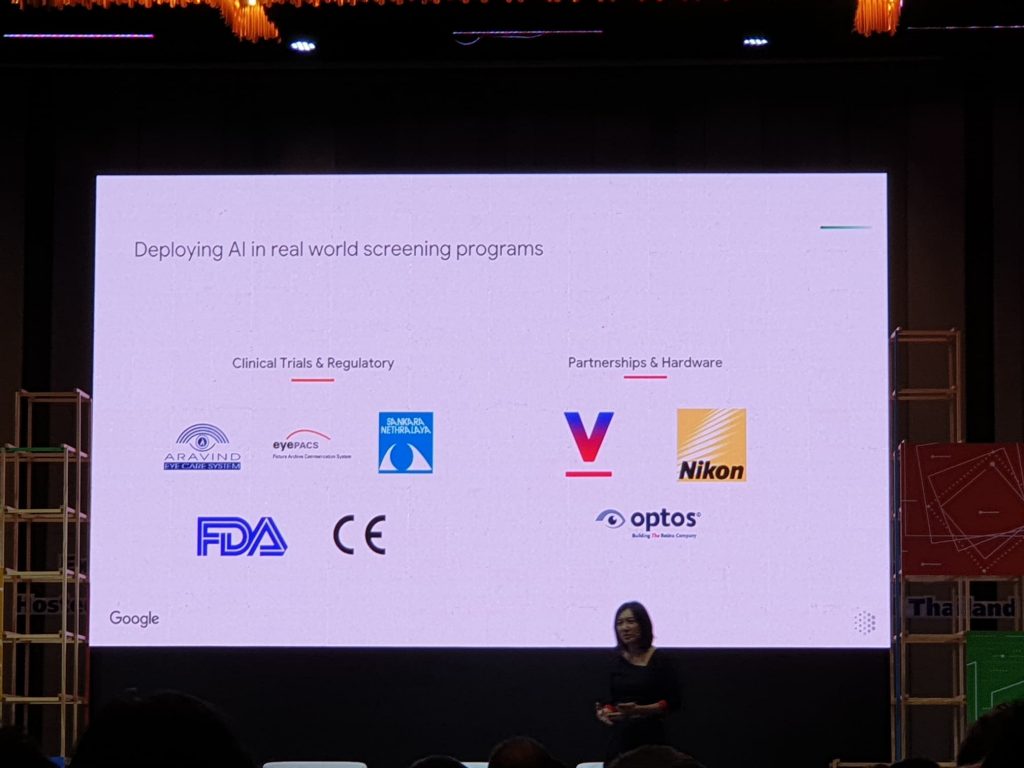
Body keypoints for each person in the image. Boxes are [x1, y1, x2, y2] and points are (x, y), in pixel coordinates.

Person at [595, 601, 681, 763]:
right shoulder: (613, 660)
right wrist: (606, 712)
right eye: (620, 623)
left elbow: (673, 701)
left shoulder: (661, 660)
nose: (625, 628)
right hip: (621, 738)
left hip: (651, 736)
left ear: (643, 625)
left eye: (630, 621)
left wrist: (640, 710)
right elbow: (608, 699)